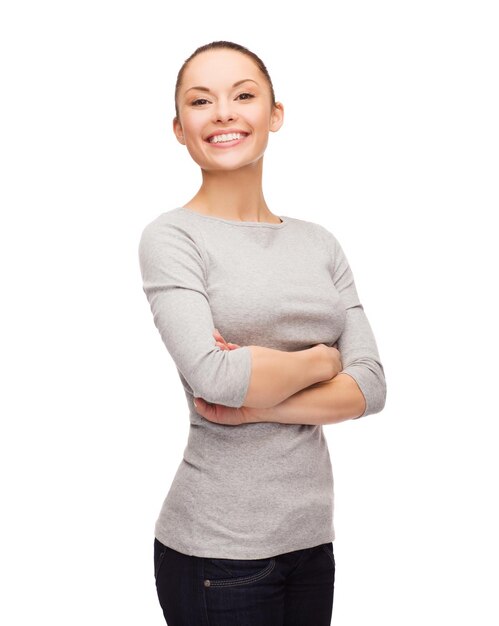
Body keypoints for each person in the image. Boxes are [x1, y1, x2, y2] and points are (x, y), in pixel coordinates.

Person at [138, 40, 387, 626]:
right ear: (180, 128)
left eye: (243, 95)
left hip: (310, 540)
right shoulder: (172, 238)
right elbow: (217, 378)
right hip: (215, 551)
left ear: (274, 114)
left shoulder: (319, 243)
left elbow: (372, 387)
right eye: (202, 101)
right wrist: (324, 361)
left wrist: (256, 407)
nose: (223, 112)